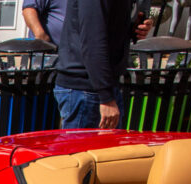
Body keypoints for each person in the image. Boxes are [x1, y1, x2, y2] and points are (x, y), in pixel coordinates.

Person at [54, 0, 151, 129]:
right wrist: (106, 97)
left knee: (107, 148)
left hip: (103, 87)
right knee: (81, 148)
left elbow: (104, 28)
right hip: (87, 90)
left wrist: (133, 30)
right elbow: (92, 42)